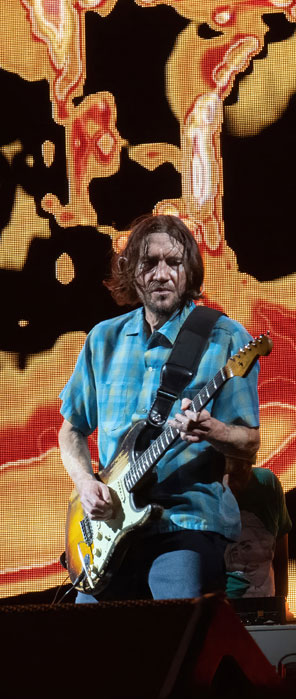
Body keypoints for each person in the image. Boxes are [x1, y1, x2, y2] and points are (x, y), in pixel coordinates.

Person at [57, 213, 259, 601]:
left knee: (175, 629)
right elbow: (71, 429)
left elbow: (249, 442)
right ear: (131, 271)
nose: (162, 274)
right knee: (82, 635)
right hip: (110, 528)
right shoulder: (103, 339)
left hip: (185, 522)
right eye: (150, 263)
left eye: (174, 262)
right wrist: (85, 483)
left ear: (190, 271)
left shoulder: (226, 338)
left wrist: (212, 430)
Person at [223, 456, 290, 602]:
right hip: (220, 607)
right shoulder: (204, 490)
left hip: (264, 606)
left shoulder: (267, 483)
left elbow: (281, 550)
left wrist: (281, 603)